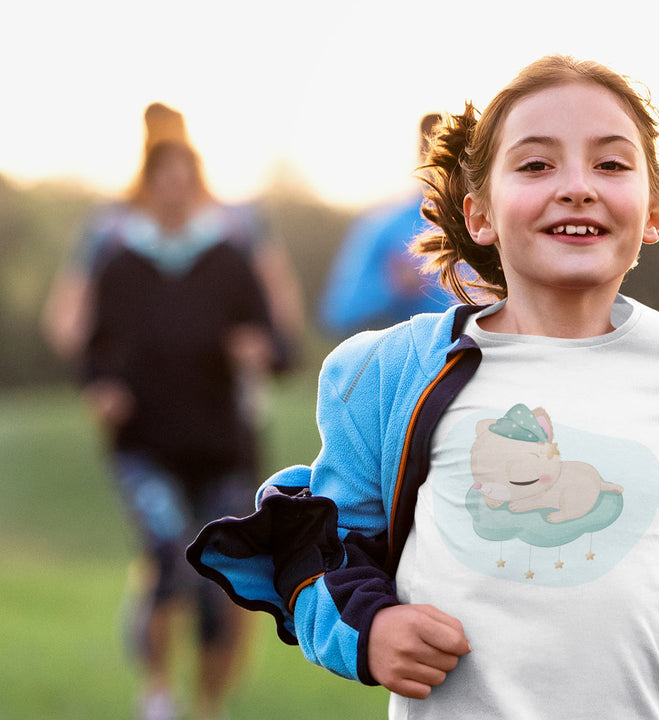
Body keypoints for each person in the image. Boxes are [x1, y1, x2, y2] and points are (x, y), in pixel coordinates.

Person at [189, 55, 659, 719]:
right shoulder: (395, 372)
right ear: (480, 214)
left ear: (654, 212)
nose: (577, 184)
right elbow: (325, 545)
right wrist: (371, 628)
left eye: (611, 162)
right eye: (535, 163)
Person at [76, 103, 287, 720]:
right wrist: (102, 386)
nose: (172, 192)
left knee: (219, 578)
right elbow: (93, 348)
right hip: (145, 443)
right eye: (160, 181)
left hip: (224, 443)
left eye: (183, 181)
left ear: (198, 187)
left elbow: (277, 345)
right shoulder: (119, 261)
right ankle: (158, 695)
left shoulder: (228, 256)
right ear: (145, 188)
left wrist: (258, 349)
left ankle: (209, 707)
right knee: (169, 556)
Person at [41, 104, 304, 370]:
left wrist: (271, 347)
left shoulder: (237, 223)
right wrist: (100, 368)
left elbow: (278, 300)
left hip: (220, 380)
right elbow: (66, 321)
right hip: (140, 383)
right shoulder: (113, 228)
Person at [318, 113, 457, 336]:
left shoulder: (495, 227)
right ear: (424, 151)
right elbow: (337, 314)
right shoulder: (383, 227)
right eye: (437, 147)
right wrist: (391, 286)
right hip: (421, 366)